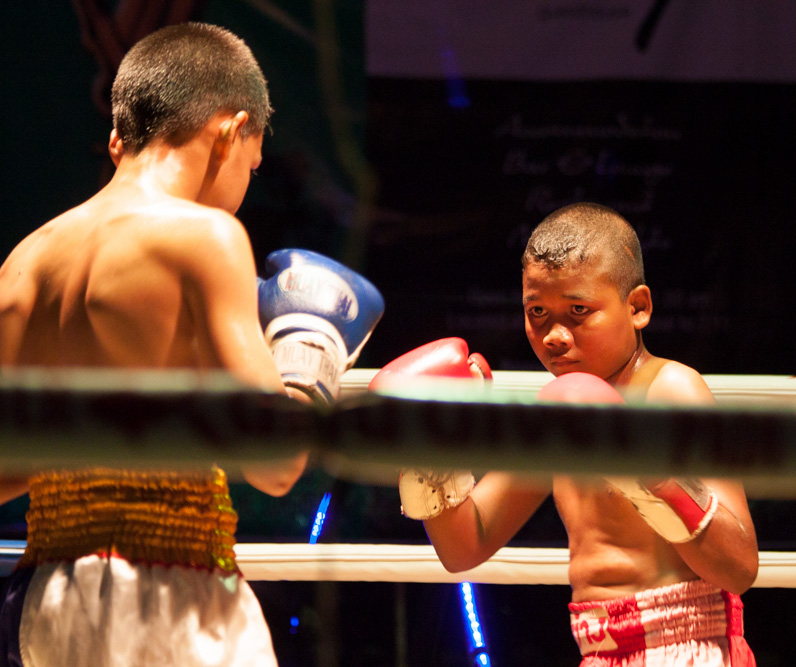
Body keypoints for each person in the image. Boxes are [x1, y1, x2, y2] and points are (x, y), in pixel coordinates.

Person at [0, 22, 382, 666]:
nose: (245, 185)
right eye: (252, 166)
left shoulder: (25, 262)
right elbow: (276, 461)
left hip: (47, 604)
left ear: (122, 137)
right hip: (169, 596)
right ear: (231, 132)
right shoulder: (204, 237)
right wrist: (307, 357)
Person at [382, 202, 757, 666]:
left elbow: (740, 566)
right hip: (598, 651)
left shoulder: (671, 389)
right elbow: (465, 545)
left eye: (578, 310)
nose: (555, 334)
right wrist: (429, 458)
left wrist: (646, 472)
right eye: (537, 311)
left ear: (637, 307)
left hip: (687, 644)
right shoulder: (558, 413)